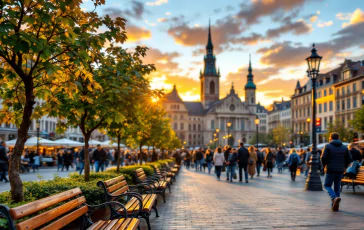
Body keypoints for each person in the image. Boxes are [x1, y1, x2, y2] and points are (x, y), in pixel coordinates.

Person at [321, 132, 352, 212]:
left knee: (327, 185)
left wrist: (324, 166)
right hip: (340, 170)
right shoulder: (344, 147)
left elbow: (323, 158)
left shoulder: (327, 146)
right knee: (337, 187)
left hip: (330, 169)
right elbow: (349, 158)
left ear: (330, 138)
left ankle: (334, 198)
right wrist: (344, 166)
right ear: (338, 138)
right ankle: (336, 205)